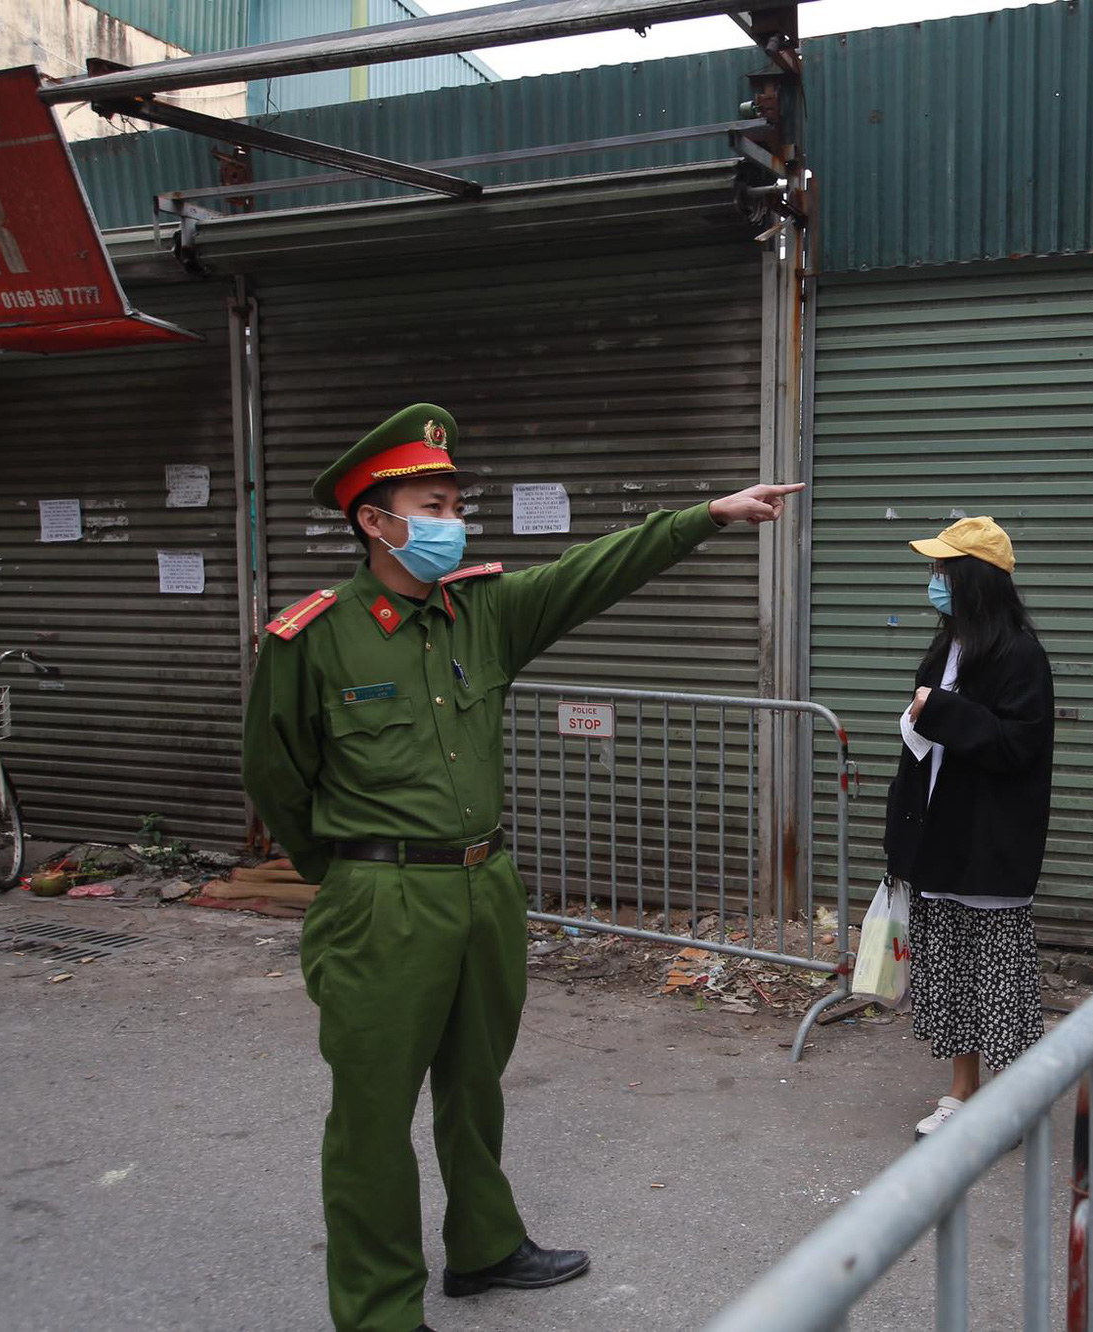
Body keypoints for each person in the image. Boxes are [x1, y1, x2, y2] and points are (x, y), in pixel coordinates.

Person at [241, 404, 801, 1332]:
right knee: (374, 1113)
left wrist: (709, 515)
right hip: (383, 899)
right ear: (374, 522)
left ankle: (484, 1247)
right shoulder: (315, 638)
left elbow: (593, 573)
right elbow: (276, 775)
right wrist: (350, 870)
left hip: (484, 886)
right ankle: (380, 1309)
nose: (453, 519)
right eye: (433, 502)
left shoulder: (484, 611)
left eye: (457, 501)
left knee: (476, 1080)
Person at [882, 516, 1054, 1139]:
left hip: (988, 844)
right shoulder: (947, 646)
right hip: (939, 835)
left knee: (998, 980)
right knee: (950, 974)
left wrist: (941, 711)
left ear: (973, 580)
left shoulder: (1020, 655)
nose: (934, 583)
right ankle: (962, 1090)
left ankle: (1013, 1103)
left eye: (942, 572)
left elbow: (1018, 746)